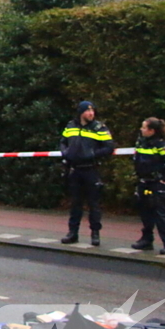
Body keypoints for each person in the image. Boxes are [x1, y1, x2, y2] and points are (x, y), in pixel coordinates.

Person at [59, 100, 115, 246]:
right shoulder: (71, 125)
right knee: (75, 203)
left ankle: (95, 234)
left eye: (92, 111)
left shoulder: (99, 127)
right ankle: (72, 233)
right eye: (87, 111)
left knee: (93, 204)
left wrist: (92, 154)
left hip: (91, 169)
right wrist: (65, 152)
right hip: (75, 169)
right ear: (81, 113)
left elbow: (109, 147)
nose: (91, 113)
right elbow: (63, 141)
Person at [131, 117, 165, 255]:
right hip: (145, 181)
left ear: (152, 131)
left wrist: (164, 180)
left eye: (144, 127)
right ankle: (146, 240)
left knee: (161, 214)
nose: (141, 129)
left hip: (158, 183)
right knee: (145, 212)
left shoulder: (163, 145)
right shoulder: (142, 142)